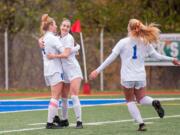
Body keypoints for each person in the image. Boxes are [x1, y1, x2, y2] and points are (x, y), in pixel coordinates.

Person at [89, 19, 180, 131]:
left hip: (127, 77)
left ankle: (141, 124)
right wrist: (172, 59)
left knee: (130, 100)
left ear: (129, 28)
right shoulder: (144, 41)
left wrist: (97, 70)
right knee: (142, 98)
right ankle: (153, 102)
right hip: (140, 76)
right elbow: (157, 56)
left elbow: (110, 58)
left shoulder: (123, 42)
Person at [43, 18, 83, 128]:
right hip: (64, 71)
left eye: (67, 26)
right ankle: (64, 120)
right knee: (64, 97)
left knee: (74, 95)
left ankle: (79, 121)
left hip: (73, 70)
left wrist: (53, 56)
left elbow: (66, 54)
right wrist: (40, 41)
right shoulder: (56, 37)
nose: (65, 27)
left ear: (69, 29)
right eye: (63, 25)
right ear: (60, 26)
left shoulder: (69, 38)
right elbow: (44, 38)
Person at [40, 14, 65, 129]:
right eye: (55, 24)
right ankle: (49, 123)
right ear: (50, 26)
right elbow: (64, 52)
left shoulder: (44, 37)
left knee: (55, 96)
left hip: (48, 69)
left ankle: (55, 118)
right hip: (54, 69)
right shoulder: (52, 38)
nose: (56, 27)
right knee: (55, 96)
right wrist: (74, 48)